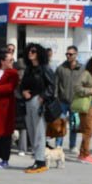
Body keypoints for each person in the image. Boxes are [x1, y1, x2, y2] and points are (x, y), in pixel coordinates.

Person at [20, 43, 54, 174]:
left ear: (39, 53)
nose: (30, 53)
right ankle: (37, 159)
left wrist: (43, 97)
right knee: (32, 132)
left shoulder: (45, 68)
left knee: (39, 132)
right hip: (28, 102)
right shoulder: (28, 69)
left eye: (33, 51)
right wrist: (23, 92)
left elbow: (52, 86)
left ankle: (40, 161)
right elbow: (22, 85)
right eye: (29, 51)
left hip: (39, 103)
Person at [54, 46, 84, 151]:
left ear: (76, 55)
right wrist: (55, 98)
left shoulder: (82, 69)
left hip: (75, 102)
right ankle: (58, 144)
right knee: (60, 124)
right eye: (67, 54)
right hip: (62, 101)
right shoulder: (60, 68)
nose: (68, 56)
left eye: (70, 54)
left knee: (74, 125)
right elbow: (56, 85)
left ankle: (72, 145)